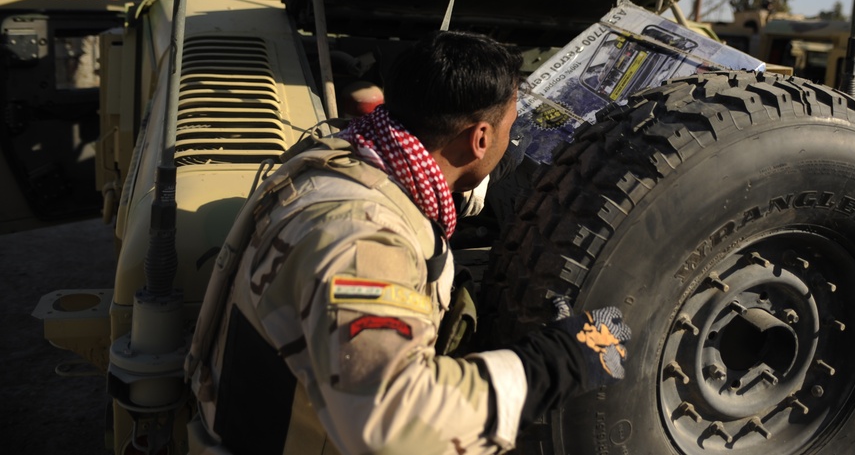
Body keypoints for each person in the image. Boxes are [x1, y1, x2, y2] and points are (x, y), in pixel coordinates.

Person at [186, 30, 631, 455]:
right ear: (479, 139)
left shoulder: (343, 158)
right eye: (509, 129)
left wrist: (469, 183)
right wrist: (561, 360)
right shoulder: (366, 239)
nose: (511, 140)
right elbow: (394, 429)